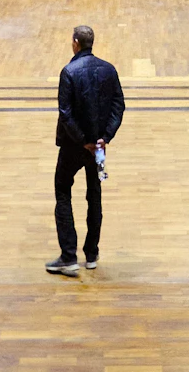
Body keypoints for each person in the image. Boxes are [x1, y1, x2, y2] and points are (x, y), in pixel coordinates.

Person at [46, 24, 124, 276]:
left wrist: (83, 141)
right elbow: (118, 106)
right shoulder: (109, 69)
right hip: (100, 149)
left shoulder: (68, 72)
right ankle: (91, 254)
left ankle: (68, 257)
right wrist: (104, 138)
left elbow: (65, 113)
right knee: (96, 193)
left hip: (73, 145)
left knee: (62, 190)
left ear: (75, 43)